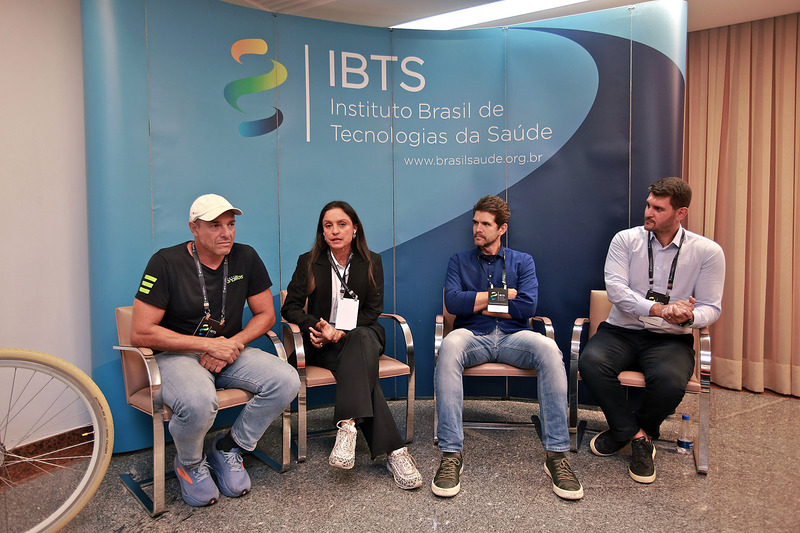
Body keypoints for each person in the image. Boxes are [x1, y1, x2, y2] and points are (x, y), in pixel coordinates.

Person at [130, 193, 300, 507]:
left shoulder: (245, 256)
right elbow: (141, 331)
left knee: (286, 380)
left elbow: (266, 314)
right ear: (194, 228)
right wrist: (208, 344)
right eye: (215, 225)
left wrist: (232, 344)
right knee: (197, 401)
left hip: (229, 350)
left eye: (231, 224)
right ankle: (190, 463)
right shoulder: (165, 262)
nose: (226, 233)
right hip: (177, 355)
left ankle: (229, 448)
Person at [433, 195, 583, 500]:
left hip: (516, 339)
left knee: (549, 350)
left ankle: (556, 455)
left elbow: (526, 307)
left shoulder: (522, 261)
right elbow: (453, 303)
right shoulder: (458, 261)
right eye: (475, 222)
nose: (477, 228)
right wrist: (500, 297)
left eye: (484, 224)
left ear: (501, 228)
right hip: (472, 337)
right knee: (448, 346)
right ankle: (450, 454)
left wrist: (477, 301)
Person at [579, 177, 725, 484]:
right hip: (621, 331)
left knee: (671, 382)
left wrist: (686, 316)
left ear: (680, 213)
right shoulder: (625, 240)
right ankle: (637, 437)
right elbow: (616, 291)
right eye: (648, 204)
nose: (649, 212)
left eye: (658, 208)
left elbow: (712, 307)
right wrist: (660, 309)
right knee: (591, 361)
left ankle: (629, 432)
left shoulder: (707, 252)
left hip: (670, 339)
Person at [281, 200, 422, 490]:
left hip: (362, 335)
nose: (335, 231)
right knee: (363, 373)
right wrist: (318, 327)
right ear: (322, 231)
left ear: (355, 228)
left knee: (360, 337)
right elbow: (290, 307)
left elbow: (373, 311)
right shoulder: (308, 262)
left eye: (342, 224)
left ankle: (347, 424)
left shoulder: (372, 261)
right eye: (328, 226)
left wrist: (341, 333)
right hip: (324, 344)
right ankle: (393, 451)